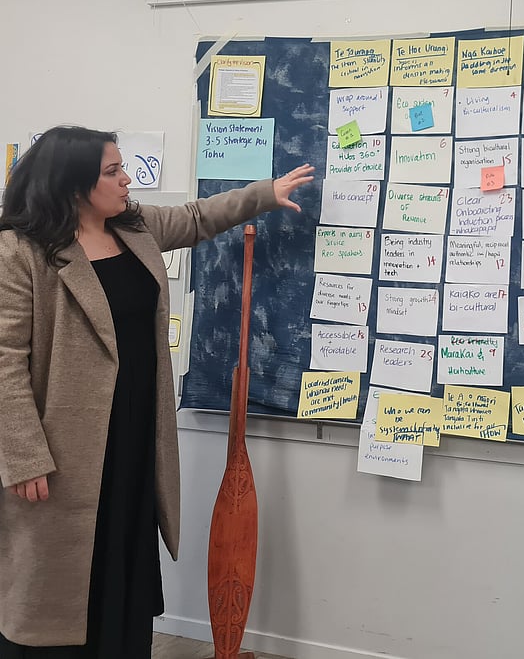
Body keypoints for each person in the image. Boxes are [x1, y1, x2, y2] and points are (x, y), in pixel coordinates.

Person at [0, 125, 314, 657]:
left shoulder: (133, 227)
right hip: (64, 446)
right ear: (74, 184)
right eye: (113, 171)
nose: (127, 180)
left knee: (124, 555)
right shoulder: (20, 251)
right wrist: (24, 455)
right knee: (57, 579)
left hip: (134, 432)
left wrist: (266, 193)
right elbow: (5, 360)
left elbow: (197, 218)